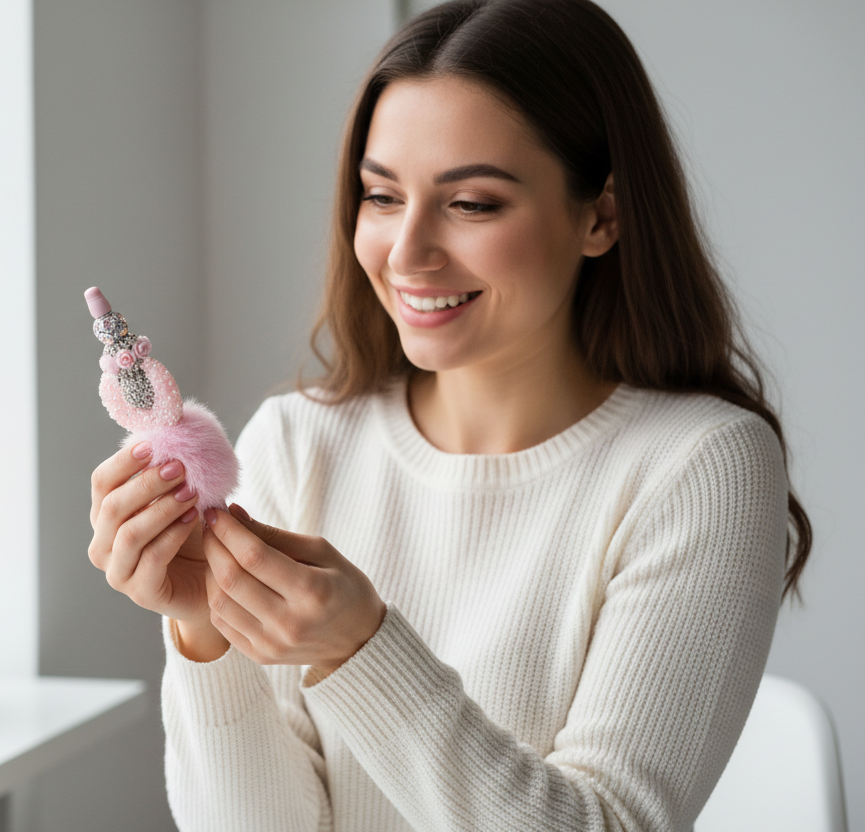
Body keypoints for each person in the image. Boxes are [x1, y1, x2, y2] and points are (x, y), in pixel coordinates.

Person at [87, 0, 811, 828]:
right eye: (382, 196)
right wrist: (203, 633)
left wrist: (362, 651)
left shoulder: (701, 466)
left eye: (472, 204)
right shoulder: (295, 444)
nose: (407, 252)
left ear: (601, 216)